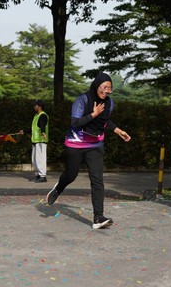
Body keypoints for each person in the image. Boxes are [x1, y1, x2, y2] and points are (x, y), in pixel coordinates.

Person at [46, 72, 131, 229]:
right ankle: (58, 188)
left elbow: (104, 121)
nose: (107, 91)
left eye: (109, 88)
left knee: (97, 179)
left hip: (95, 145)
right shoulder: (82, 100)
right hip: (75, 143)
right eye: (104, 87)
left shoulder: (109, 103)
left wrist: (118, 131)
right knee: (71, 175)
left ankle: (98, 217)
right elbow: (75, 123)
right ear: (96, 85)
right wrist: (93, 114)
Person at [19, 100, 49, 183]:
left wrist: (43, 132)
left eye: (35, 105)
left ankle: (43, 176)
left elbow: (42, 125)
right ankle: (38, 175)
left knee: (40, 159)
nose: (34, 107)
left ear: (39, 106)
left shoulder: (43, 115)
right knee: (34, 160)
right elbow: (34, 128)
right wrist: (24, 131)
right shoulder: (36, 116)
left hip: (41, 141)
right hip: (35, 141)